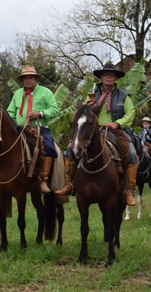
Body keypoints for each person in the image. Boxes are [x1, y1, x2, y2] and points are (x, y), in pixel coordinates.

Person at [55, 62, 138, 206]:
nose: (108, 77)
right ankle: (70, 183)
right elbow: (82, 114)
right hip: (93, 130)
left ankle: (128, 190)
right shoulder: (93, 93)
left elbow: (131, 113)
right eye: (105, 75)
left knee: (131, 153)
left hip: (116, 130)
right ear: (101, 77)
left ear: (115, 78)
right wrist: (87, 107)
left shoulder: (124, 95)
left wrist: (117, 123)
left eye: (111, 75)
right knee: (70, 149)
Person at [5, 65, 59, 194]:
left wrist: (39, 113)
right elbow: (10, 112)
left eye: (31, 77)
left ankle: (43, 180)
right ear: (22, 80)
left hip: (39, 128)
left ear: (36, 79)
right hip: (19, 129)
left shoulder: (46, 92)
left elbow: (55, 110)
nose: (28, 80)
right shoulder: (18, 94)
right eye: (25, 78)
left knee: (49, 148)